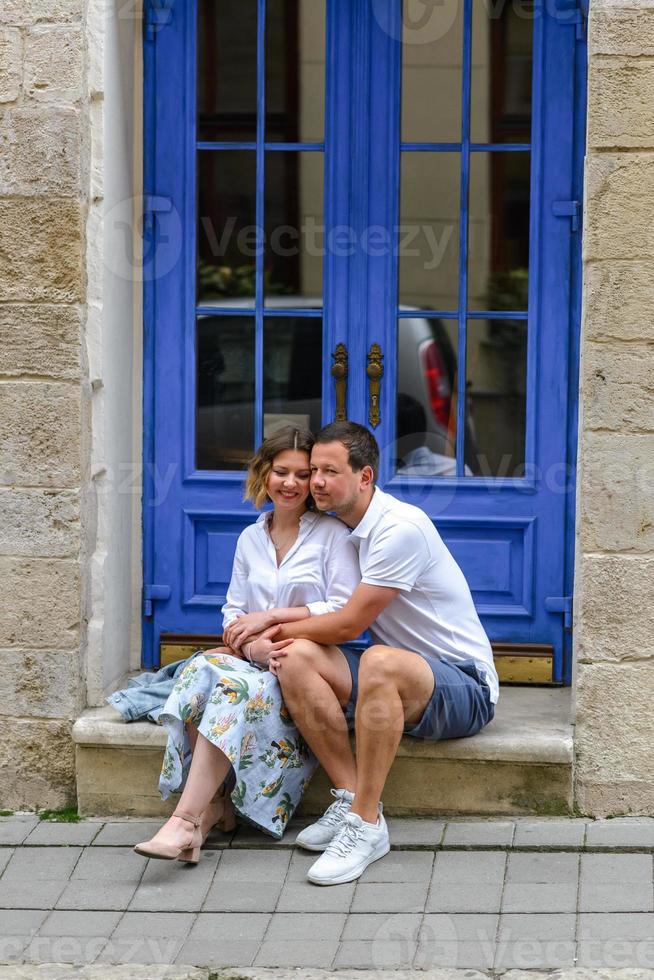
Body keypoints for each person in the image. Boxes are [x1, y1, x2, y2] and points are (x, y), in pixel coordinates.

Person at [229, 421, 499, 886]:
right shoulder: (343, 529)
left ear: (365, 476)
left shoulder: (399, 529)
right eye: (313, 470)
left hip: (464, 685)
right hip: (401, 675)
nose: (314, 482)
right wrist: (275, 631)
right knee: (296, 655)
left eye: (328, 471)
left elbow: (350, 624)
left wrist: (267, 619)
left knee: (377, 658)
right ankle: (349, 797)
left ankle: (367, 824)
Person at [133, 425, 360, 862]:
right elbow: (233, 612)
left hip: (301, 670)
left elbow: (340, 608)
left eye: (301, 474)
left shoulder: (332, 536)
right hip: (256, 661)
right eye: (280, 472)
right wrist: (252, 646)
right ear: (264, 474)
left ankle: (189, 820)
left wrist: (271, 628)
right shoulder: (251, 538)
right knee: (201, 668)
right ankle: (205, 813)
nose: (290, 483)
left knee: (228, 688)